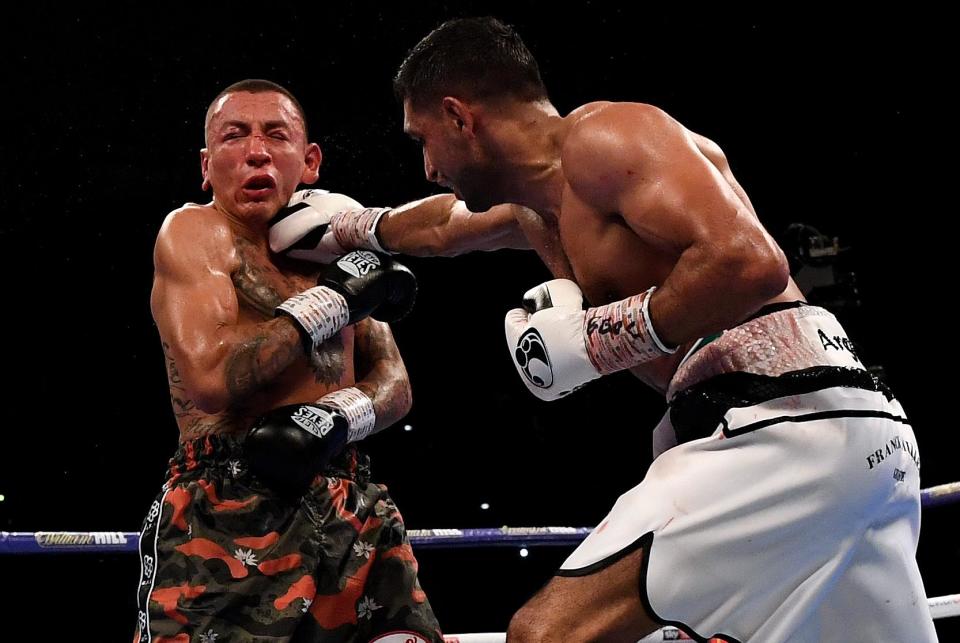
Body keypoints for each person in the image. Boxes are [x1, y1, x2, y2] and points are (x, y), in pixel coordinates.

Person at [278, 18, 937, 643]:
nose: (427, 164)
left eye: (422, 140)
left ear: (458, 115)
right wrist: (338, 227)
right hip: (849, 440)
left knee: (547, 633)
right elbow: (440, 227)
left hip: (787, 424)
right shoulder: (539, 209)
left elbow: (750, 262)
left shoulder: (607, 137)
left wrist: (597, 341)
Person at [134, 78, 442, 643]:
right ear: (207, 166)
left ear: (310, 161)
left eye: (276, 135)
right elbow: (209, 378)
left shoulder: (333, 246)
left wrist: (336, 419)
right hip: (225, 503)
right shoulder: (195, 232)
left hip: (351, 502)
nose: (256, 150)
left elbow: (395, 384)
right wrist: (335, 300)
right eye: (235, 136)